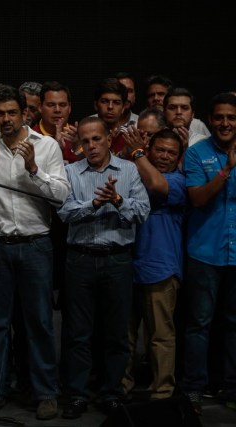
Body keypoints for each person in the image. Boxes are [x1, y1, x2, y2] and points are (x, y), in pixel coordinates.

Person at [0, 84, 69, 420]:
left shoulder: (46, 145)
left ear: (24, 113)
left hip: (35, 245)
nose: (6, 119)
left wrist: (34, 169)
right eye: (0, 113)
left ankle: (46, 393)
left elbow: (61, 197)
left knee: (39, 323)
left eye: (12, 112)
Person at [57, 116, 150, 419]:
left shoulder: (129, 170)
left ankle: (112, 393)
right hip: (80, 259)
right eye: (85, 141)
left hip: (117, 258)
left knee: (115, 333)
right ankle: (77, 395)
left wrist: (118, 199)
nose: (91, 145)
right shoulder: (70, 172)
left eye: (97, 139)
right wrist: (94, 205)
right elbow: (64, 212)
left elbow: (143, 211)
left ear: (110, 138)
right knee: (78, 333)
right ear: (79, 144)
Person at [181, 92, 236, 415]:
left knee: (233, 324)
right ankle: (194, 389)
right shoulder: (196, 153)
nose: (225, 123)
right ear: (210, 119)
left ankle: (231, 387)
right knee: (198, 324)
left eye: (231, 117)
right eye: (219, 117)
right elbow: (198, 199)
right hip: (204, 252)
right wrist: (226, 170)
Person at [121, 129, 186, 401]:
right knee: (123, 337)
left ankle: (162, 392)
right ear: (151, 149)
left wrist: (136, 154)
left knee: (160, 336)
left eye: (171, 152)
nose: (164, 156)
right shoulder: (134, 173)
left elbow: (158, 186)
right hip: (126, 264)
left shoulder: (178, 180)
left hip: (161, 266)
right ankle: (121, 389)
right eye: (159, 150)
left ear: (178, 158)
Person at [145, 74, 210, 137]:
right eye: (172, 108)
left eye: (161, 94)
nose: (155, 98)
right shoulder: (144, 123)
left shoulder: (198, 126)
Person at [32, 81, 81, 164]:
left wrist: (77, 148)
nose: (57, 110)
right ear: (40, 107)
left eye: (62, 105)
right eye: (51, 105)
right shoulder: (31, 136)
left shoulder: (80, 136)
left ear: (69, 108)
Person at [93, 77, 130, 158]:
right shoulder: (84, 135)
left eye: (116, 102)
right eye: (104, 101)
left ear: (123, 107)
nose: (110, 107)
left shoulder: (129, 139)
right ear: (96, 105)